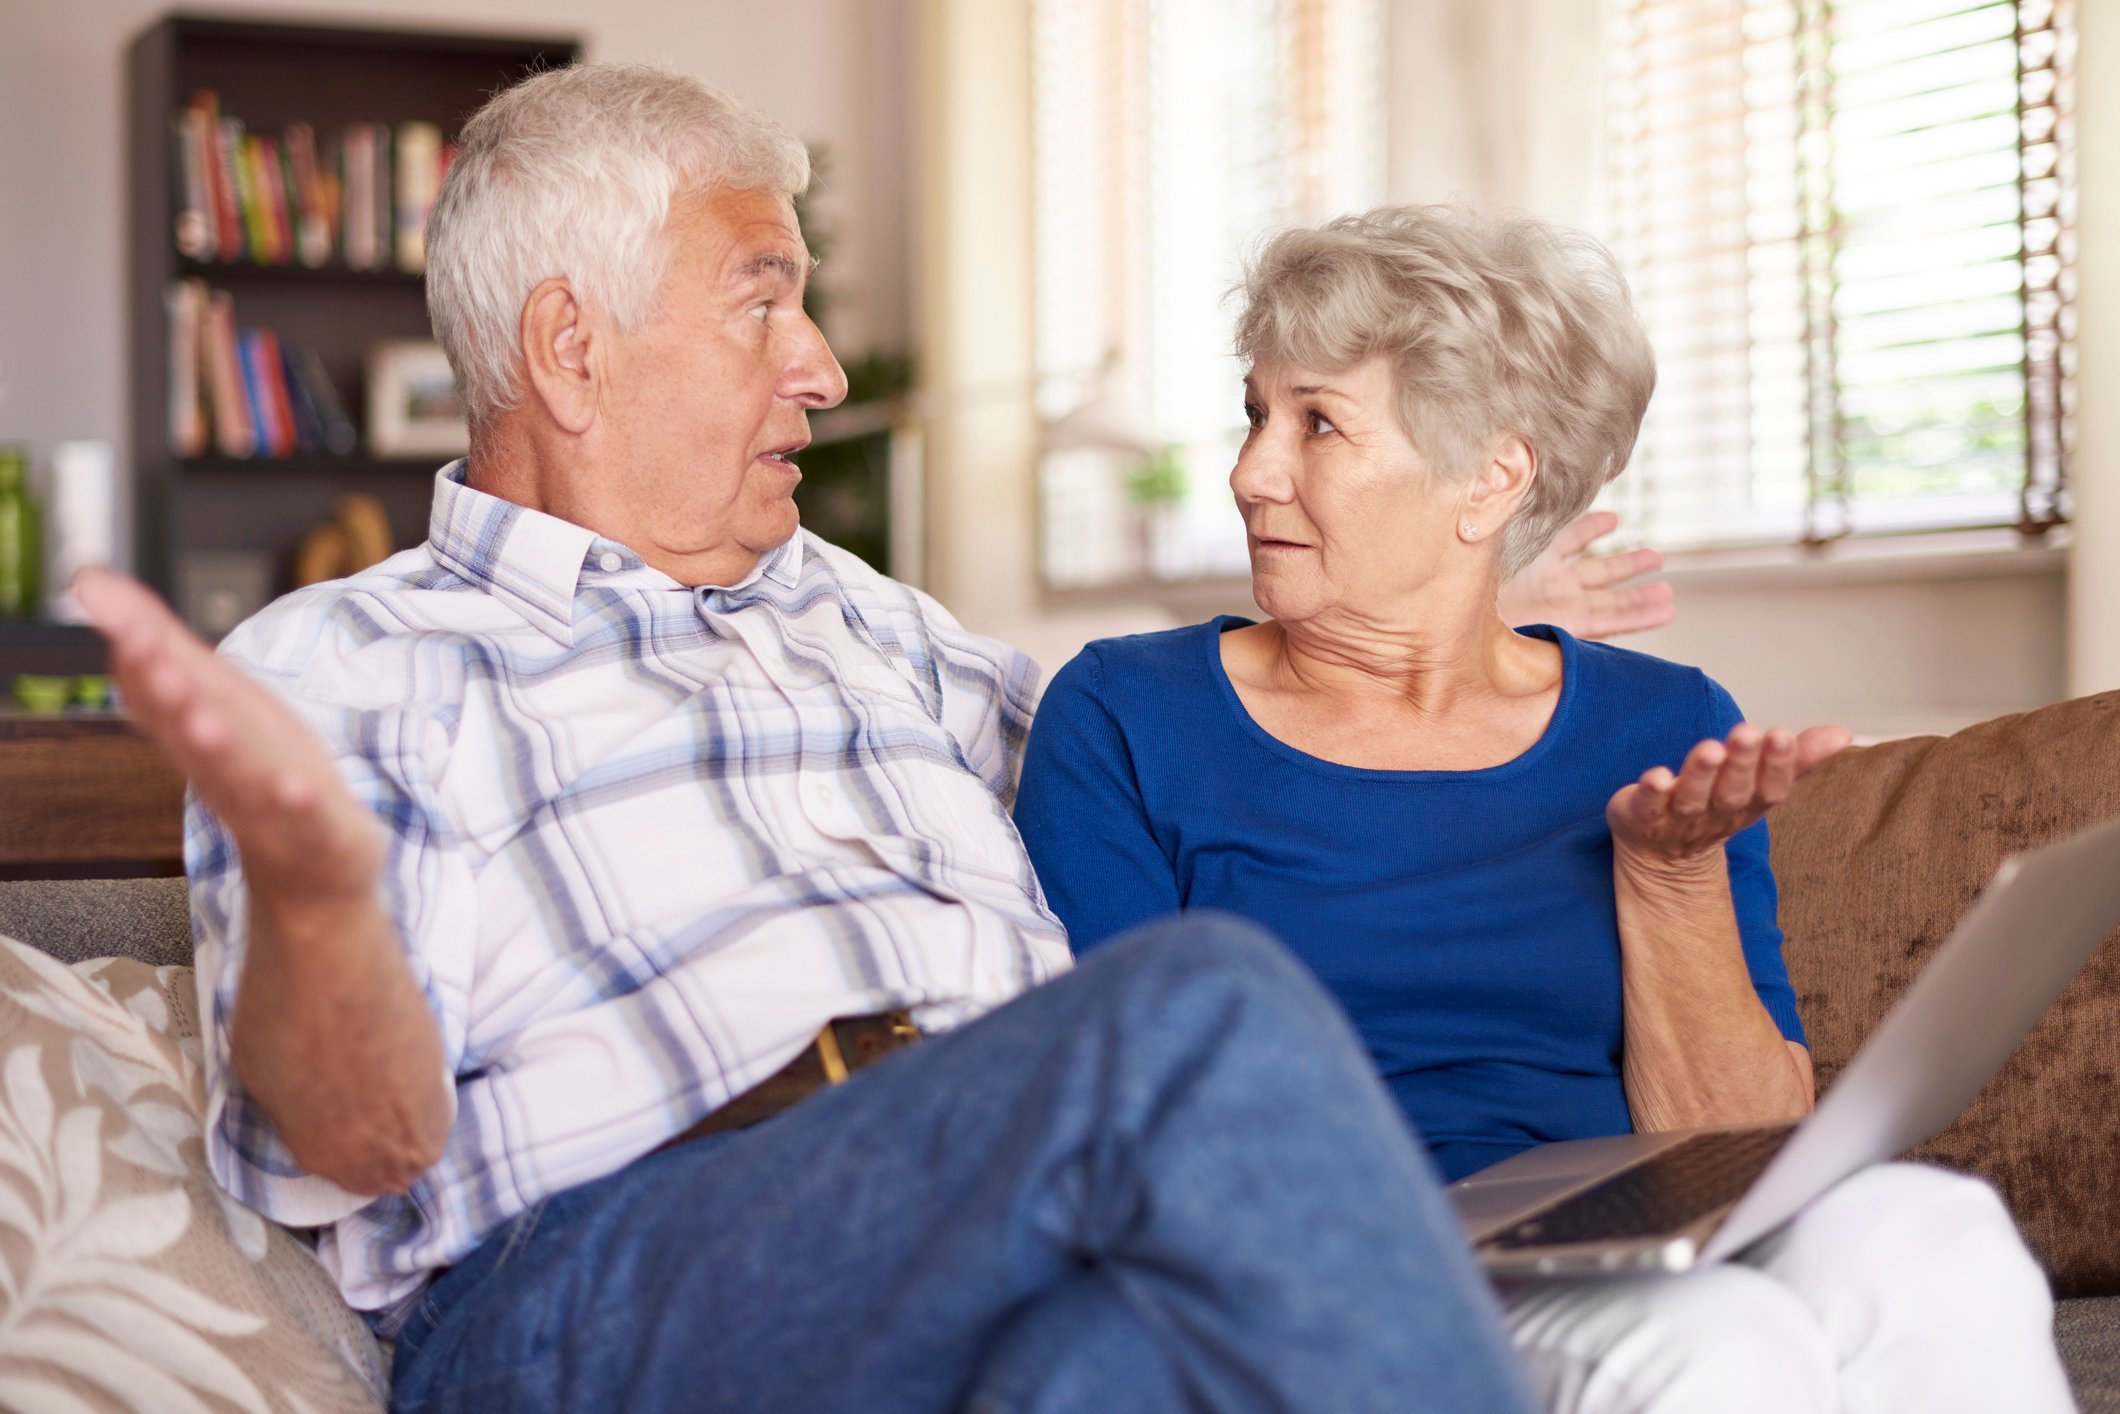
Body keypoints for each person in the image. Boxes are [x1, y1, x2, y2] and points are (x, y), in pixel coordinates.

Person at [78, 65, 1670, 1414]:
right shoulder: (350, 660)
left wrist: (1451, 608)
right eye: (763, 298)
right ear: (572, 349)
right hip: (601, 1284)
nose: (824, 368)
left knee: (1123, 1361)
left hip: (990, 1231)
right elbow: (342, 1149)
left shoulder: (860, 615)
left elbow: (1202, 746)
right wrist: (314, 899)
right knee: (1195, 1009)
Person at [1011, 205, 2075, 1414]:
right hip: (1328, 1278)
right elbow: (1125, 1111)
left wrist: (1667, 875)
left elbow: (1738, 1141)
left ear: (1490, 478)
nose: (1251, 470)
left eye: (1317, 422)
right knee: (1713, 1342)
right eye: (1256, 413)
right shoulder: (1126, 714)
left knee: (1927, 1228)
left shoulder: (1660, 723)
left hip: (1614, 1241)